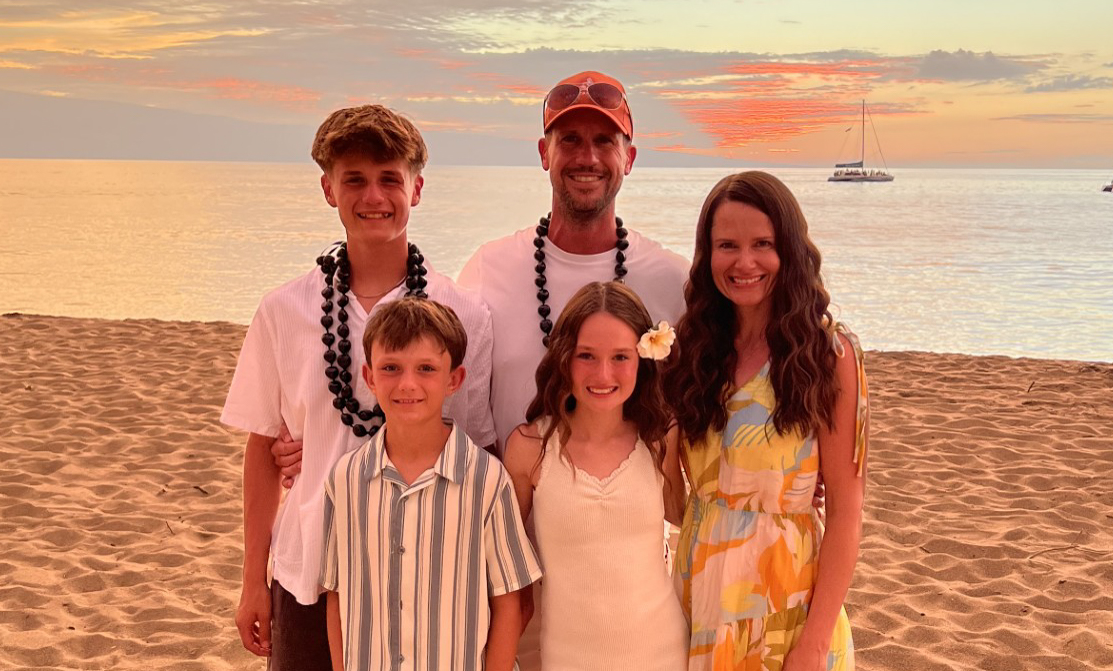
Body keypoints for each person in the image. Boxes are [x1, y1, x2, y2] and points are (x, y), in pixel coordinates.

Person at [221, 104, 495, 670]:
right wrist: (253, 578)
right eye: (355, 180)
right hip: (309, 568)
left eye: (390, 178)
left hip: (424, 576)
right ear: (329, 189)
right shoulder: (283, 310)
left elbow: (476, 447)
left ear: (416, 189)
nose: (374, 196)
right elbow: (262, 449)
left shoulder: (463, 312)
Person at [666, 171, 869, 671]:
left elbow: (846, 509)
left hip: (787, 602)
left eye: (764, 244)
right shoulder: (693, 351)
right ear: (707, 254)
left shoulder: (829, 353)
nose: (745, 262)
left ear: (791, 252)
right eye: (727, 245)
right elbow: (675, 502)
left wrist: (815, 644)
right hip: (699, 595)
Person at [458, 70, 689, 446]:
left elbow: (717, 401)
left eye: (604, 141)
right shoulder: (488, 270)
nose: (588, 158)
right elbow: (454, 406)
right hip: (510, 503)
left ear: (628, 159)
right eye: (570, 140)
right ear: (544, 153)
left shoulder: (672, 279)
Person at [321, 298, 541, 671]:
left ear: (454, 379)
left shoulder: (485, 479)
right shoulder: (345, 479)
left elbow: (511, 601)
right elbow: (337, 594)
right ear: (370, 376)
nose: (408, 384)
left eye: (426, 368)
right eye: (391, 368)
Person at [502, 282, 688, 670]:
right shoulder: (530, 448)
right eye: (586, 355)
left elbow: (691, 522)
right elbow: (505, 568)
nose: (603, 374)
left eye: (620, 356)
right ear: (564, 358)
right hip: (567, 658)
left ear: (642, 359)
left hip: (663, 653)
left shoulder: (660, 439)